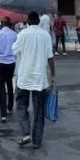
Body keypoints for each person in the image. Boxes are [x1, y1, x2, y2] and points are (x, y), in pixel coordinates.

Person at [12, 11, 56, 148]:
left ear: (28, 21)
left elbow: (15, 50)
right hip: (40, 78)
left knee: (21, 104)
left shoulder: (22, 34)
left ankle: (26, 133)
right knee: (39, 109)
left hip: (24, 76)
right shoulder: (46, 35)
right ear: (38, 21)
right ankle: (37, 139)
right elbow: (50, 57)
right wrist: (53, 74)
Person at [0, 18, 17, 123]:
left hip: (0, 62)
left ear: (2, 24)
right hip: (11, 62)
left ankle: (3, 113)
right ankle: (10, 106)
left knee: (0, 87)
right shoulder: (15, 34)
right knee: (10, 84)